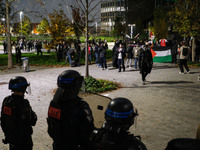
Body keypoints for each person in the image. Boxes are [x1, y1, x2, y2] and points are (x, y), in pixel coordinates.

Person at [47, 70, 94, 150]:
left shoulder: (54, 103)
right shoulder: (81, 106)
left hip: (58, 145)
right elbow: (88, 130)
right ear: (76, 85)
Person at [0, 76, 37, 150]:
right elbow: (33, 121)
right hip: (23, 141)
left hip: (11, 138)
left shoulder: (6, 100)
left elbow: (3, 120)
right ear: (23, 89)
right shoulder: (23, 104)